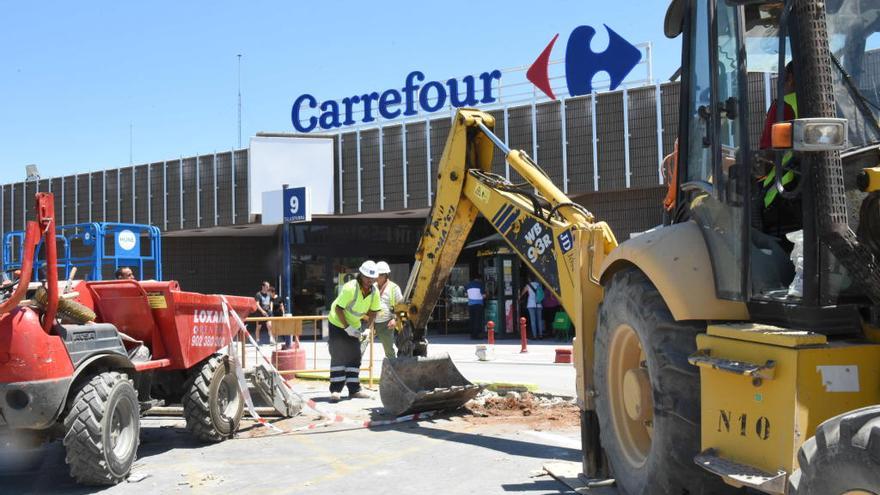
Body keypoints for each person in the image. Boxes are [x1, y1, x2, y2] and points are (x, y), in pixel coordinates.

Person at [327, 260, 381, 402]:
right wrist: (347, 328)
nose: (370, 280)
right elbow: (339, 309)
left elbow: (374, 312)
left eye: (372, 278)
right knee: (338, 354)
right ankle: (336, 390)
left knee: (354, 356)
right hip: (337, 323)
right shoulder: (350, 287)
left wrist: (368, 330)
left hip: (354, 324)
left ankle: (354, 389)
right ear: (361, 275)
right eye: (367, 277)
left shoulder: (374, 292)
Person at [374, 261, 404, 358]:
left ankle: (394, 368)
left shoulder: (394, 288)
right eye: (376, 274)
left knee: (389, 351)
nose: (376, 277)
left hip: (386, 324)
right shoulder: (372, 287)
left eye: (379, 275)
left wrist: (395, 320)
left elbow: (402, 308)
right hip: (371, 322)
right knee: (361, 344)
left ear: (385, 275)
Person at [465, 275, 486, 340]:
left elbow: (465, 295)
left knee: (472, 320)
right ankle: (477, 335)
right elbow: (484, 295)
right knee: (478, 320)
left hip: (471, 305)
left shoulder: (467, 285)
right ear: (479, 279)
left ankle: (472, 334)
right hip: (478, 305)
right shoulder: (480, 285)